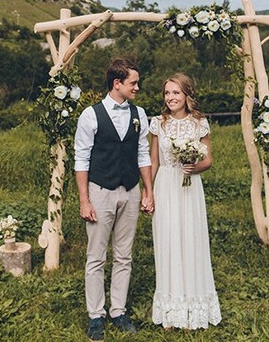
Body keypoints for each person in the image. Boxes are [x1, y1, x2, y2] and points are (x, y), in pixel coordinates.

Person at [74, 56, 154, 341]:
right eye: (133, 83)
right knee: (96, 257)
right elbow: (81, 159)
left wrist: (148, 191)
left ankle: (118, 310)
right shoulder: (90, 115)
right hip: (100, 192)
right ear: (117, 83)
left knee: (124, 255)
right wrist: (85, 200)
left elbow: (143, 153)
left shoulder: (139, 113)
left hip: (130, 190)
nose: (137, 88)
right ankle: (96, 315)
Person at [148, 72, 222, 330]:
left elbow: (209, 160)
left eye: (175, 93)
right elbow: (154, 161)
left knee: (191, 241)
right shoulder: (158, 123)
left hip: (190, 189)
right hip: (165, 186)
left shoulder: (199, 123)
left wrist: (195, 168)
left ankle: (194, 305)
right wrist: (147, 192)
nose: (170, 98)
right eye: (167, 93)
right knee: (167, 242)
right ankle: (170, 309)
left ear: (187, 94)